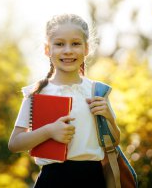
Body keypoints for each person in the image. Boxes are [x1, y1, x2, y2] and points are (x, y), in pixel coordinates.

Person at [8, 13, 120, 187]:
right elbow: (14, 144)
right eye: (59, 44)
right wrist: (48, 131)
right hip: (53, 180)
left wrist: (110, 119)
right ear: (47, 49)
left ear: (86, 49)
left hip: (93, 180)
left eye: (75, 44)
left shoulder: (97, 91)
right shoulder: (37, 93)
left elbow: (113, 142)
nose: (68, 50)